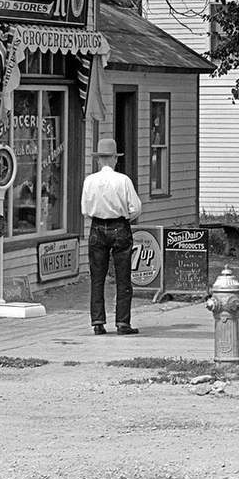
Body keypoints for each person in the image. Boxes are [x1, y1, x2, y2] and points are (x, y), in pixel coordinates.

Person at [82, 137, 141, 335]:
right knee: (123, 277)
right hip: (119, 226)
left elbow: (85, 210)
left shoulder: (89, 181)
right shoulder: (123, 180)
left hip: (97, 227)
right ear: (115, 159)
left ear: (98, 160)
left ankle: (98, 321)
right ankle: (122, 322)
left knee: (97, 278)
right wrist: (125, 216)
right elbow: (136, 208)